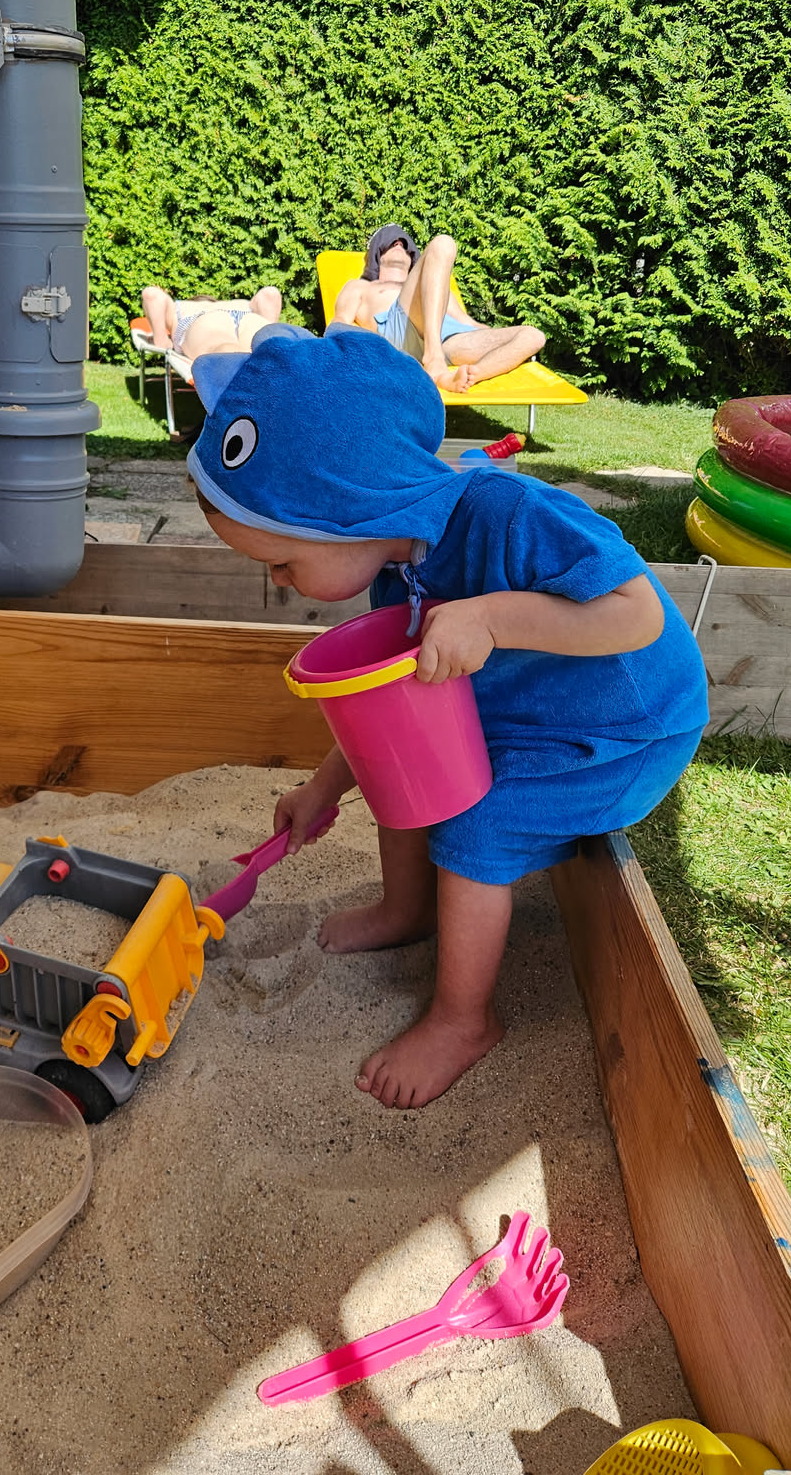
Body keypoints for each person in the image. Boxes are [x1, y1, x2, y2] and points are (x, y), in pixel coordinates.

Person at [185, 324, 709, 1110]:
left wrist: (492, 618)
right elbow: (390, 713)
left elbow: (636, 615)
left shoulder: (508, 514)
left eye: (283, 562)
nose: (281, 585)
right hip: (522, 714)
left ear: (352, 507)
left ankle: (464, 1021)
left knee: (477, 822)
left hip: (622, 731)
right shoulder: (396, 566)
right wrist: (322, 790)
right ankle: (407, 911)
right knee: (402, 773)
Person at [331, 225, 545, 393]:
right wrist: (371, 347)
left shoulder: (433, 286)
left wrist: (499, 341)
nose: (398, 244)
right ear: (376, 256)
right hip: (400, 333)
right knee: (443, 243)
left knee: (534, 336)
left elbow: (467, 322)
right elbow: (338, 324)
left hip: (448, 340)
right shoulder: (361, 287)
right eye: (390, 243)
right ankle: (433, 359)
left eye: (405, 245)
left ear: (412, 258)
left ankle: (469, 375)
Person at [139, 284, 283, 360]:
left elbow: (151, 295)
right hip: (247, 316)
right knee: (268, 353)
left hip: (202, 321)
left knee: (227, 352)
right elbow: (270, 294)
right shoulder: (240, 303)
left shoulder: (181, 307)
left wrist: (161, 339)